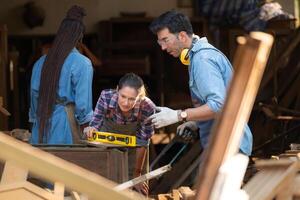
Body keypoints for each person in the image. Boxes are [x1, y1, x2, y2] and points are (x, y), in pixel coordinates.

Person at [148, 10, 252, 156]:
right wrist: (196, 122)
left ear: (182, 36)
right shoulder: (199, 56)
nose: (163, 47)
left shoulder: (203, 60)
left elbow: (219, 105)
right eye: (160, 42)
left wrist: (179, 115)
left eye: (165, 40)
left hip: (228, 146)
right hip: (225, 144)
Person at [29, 5, 93, 144]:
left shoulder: (40, 62)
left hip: (41, 123)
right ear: (80, 37)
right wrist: (86, 127)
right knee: (63, 164)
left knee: (38, 165)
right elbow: (83, 104)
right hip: (65, 123)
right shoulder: (82, 63)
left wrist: (35, 120)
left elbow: (34, 95)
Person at [85, 73, 156, 195]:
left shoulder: (147, 107)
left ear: (140, 97)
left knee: (137, 191)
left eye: (132, 99)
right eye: (123, 96)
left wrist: (137, 174)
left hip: (135, 148)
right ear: (117, 90)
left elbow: (143, 142)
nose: (126, 103)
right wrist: (91, 130)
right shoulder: (106, 97)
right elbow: (95, 123)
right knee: (107, 184)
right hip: (108, 144)